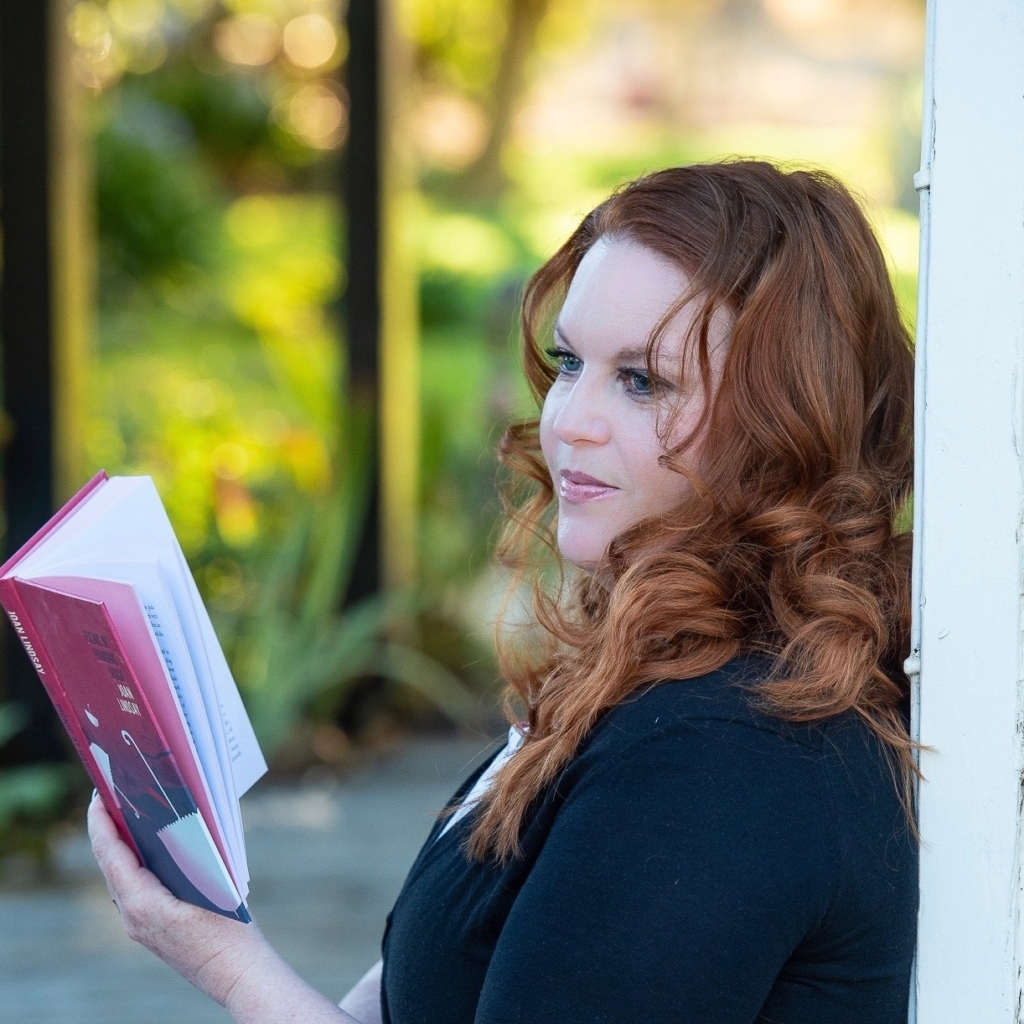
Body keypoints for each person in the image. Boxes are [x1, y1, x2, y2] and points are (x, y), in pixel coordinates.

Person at [88, 160, 919, 1023]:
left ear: (786, 423)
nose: (568, 420)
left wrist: (223, 962)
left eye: (642, 381)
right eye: (570, 362)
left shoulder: (727, 755)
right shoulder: (661, 675)